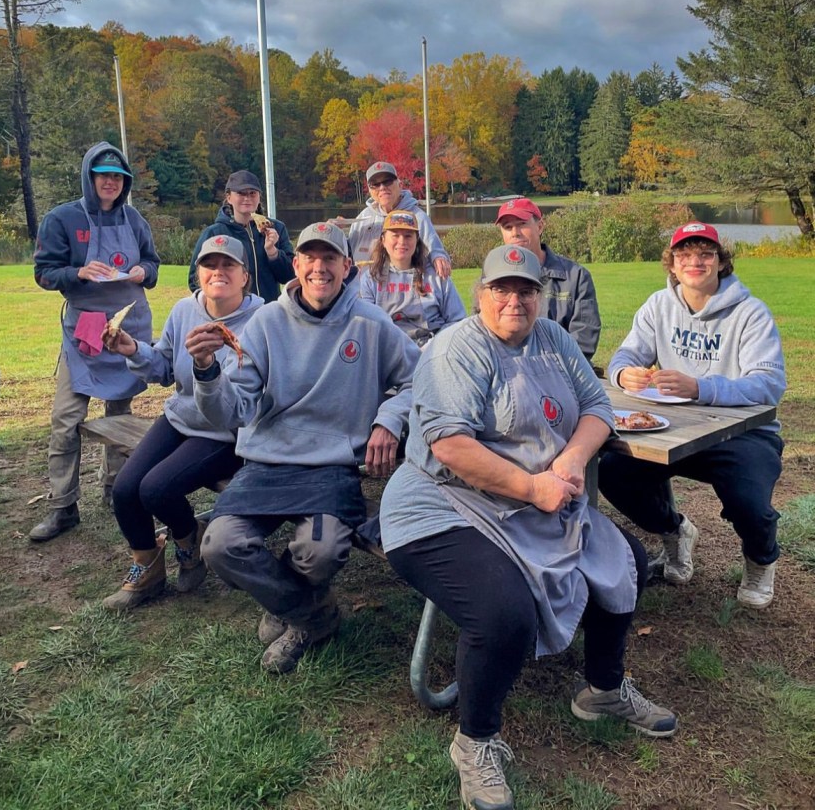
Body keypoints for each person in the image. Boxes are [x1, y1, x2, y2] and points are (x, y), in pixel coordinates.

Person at [380, 245, 676, 810]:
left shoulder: (554, 340)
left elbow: (598, 409)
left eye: (526, 289)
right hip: (443, 502)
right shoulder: (455, 348)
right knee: (503, 613)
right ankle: (475, 742)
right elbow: (451, 446)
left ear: (540, 295)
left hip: (535, 498)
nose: (514, 300)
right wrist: (534, 488)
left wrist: (570, 460)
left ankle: (603, 690)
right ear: (480, 294)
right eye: (501, 289)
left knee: (627, 561)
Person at [188, 222, 420, 674]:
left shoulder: (371, 324)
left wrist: (389, 419)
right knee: (219, 545)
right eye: (310, 257)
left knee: (322, 550)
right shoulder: (265, 323)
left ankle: (287, 606)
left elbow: (420, 380)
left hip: (331, 468)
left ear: (348, 267)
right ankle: (312, 614)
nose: (319, 267)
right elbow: (230, 412)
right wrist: (206, 370)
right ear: (295, 265)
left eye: (330, 257)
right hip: (265, 462)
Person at [599, 222, 786, 610]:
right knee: (613, 472)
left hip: (743, 433)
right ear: (672, 264)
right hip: (675, 428)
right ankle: (675, 531)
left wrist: (700, 387)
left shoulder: (750, 312)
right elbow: (626, 355)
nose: (694, 262)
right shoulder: (658, 305)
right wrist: (623, 373)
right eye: (684, 255)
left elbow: (769, 384)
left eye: (705, 254)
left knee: (749, 502)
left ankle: (760, 559)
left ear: (721, 262)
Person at [100, 236, 264, 610]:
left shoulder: (263, 319)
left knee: (156, 489)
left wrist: (211, 367)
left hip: (227, 432)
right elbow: (163, 368)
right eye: (210, 265)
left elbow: (249, 400)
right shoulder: (184, 310)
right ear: (198, 273)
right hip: (181, 417)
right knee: (125, 490)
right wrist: (133, 350)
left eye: (228, 265)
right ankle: (148, 568)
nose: (218, 272)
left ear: (244, 277)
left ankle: (190, 544)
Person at [31, 141, 160, 542]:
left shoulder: (134, 219)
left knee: (120, 414)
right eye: (103, 175)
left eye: (118, 177)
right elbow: (44, 273)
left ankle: (115, 489)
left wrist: (143, 272)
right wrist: (79, 273)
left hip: (127, 326)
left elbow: (153, 264)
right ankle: (63, 506)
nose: (110, 183)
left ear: (125, 182)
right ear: (90, 177)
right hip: (85, 330)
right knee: (66, 419)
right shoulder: (62, 218)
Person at [495, 198, 600, 359]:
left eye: (522, 224)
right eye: (508, 227)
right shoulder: (493, 279)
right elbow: (484, 333)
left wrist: (542, 367)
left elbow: (583, 341)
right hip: (508, 369)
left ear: (540, 226)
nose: (515, 232)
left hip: (563, 369)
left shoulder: (576, 277)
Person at [358, 210, 466, 347]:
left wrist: (435, 345)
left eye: (408, 236)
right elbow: (365, 325)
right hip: (388, 349)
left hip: (431, 348)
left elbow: (457, 321)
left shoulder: (437, 276)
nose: (402, 242)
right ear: (383, 240)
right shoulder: (370, 278)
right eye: (395, 235)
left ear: (417, 240)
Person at [188, 169, 294, 302]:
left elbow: (290, 276)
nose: (247, 198)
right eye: (241, 193)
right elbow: (195, 280)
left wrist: (273, 253)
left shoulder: (276, 228)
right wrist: (222, 304)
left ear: (259, 197)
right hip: (232, 312)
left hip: (268, 310)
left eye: (252, 193)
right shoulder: (214, 233)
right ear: (229, 198)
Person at [347, 161, 452, 277]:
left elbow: (435, 249)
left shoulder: (416, 217)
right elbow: (346, 252)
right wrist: (335, 232)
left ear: (399, 184)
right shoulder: (363, 218)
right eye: (375, 184)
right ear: (370, 190)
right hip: (361, 284)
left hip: (402, 284)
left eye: (387, 181)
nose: (382, 187)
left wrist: (438, 258)